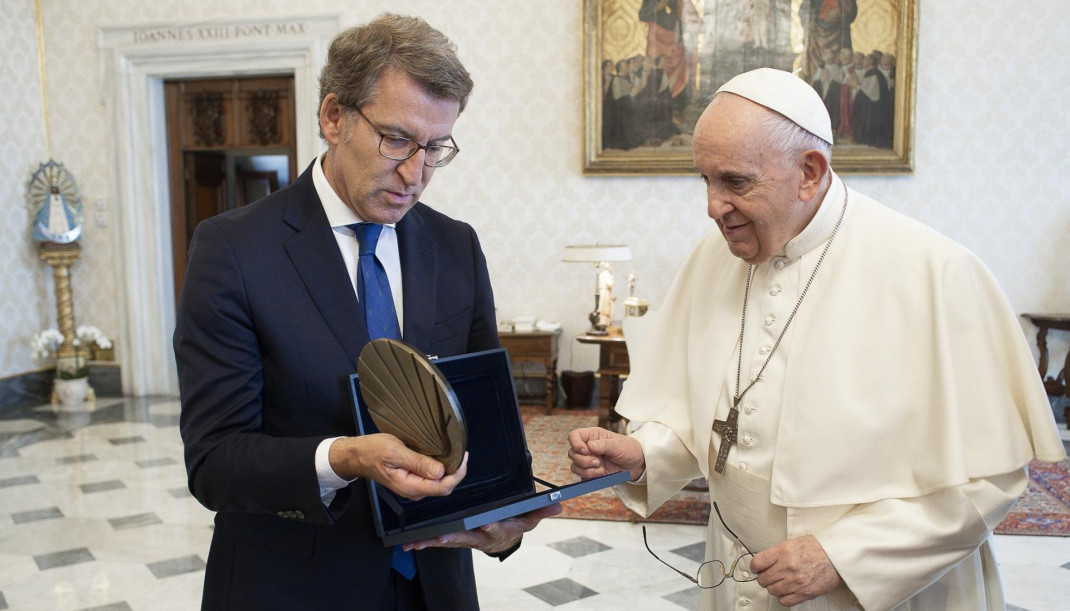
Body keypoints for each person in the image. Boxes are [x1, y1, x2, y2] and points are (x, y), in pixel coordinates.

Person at [568, 67, 1066, 610]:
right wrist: (644, 453)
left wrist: (846, 554)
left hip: (880, 593)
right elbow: (710, 416)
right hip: (737, 570)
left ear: (809, 171)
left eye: (735, 182)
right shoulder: (715, 258)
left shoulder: (934, 272)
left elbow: (987, 479)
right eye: (704, 180)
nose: (713, 206)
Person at [174, 14, 558, 611]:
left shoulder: (456, 246)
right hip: (292, 587)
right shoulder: (234, 250)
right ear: (333, 117)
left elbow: (482, 418)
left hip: (437, 587)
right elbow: (215, 462)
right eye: (397, 139)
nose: (416, 174)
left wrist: (504, 521)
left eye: (435, 148)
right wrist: (347, 457)